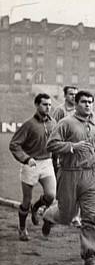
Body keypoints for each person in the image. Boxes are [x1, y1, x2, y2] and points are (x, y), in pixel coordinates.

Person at [42, 90, 95, 265]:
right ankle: (49, 215)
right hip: (69, 173)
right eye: (84, 102)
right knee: (67, 215)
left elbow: (93, 146)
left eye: (90, 102)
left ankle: (90, 255)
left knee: (90, 215)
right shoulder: (66, 122)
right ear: (76, 104)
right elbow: (51, 145)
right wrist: (72, 147)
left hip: (90, 175)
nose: (87, 105)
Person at [9, 93, 57, 241]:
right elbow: (14, 144)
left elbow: (55, 144)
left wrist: (57, 162)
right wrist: (26, 158)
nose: (47, 107)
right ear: (37, 105)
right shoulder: (29, 124)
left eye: (49, 105)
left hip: (47, 163)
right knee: (26, 200)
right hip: (31, 164)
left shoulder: (53, 123)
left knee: (51, 196)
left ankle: (36, 207)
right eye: (44, 104)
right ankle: (22, 228)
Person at [52, 85, 81, 228]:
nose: (74, 96)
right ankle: (56, 210)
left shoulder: (80, 110)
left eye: (76, 94)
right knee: (63, 185)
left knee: (80, 184)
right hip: (63, 152)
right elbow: (54, 131)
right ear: (65, 95)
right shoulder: (60, 110)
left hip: (78, 153)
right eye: (71, 94)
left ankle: (75, 216)